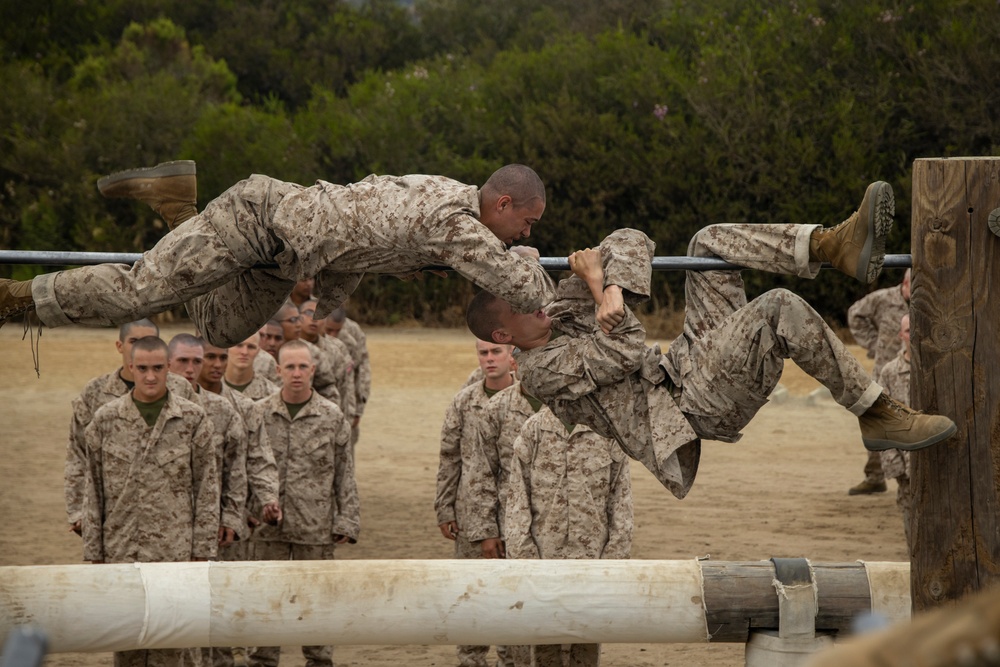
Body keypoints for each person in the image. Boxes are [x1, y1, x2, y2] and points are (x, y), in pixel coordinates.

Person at [465, 183, 957, 499]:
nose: (536, 303)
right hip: (689, 408)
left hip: (684, 367)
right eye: (522, 306)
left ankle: (831, 245)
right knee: (778, 309)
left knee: (709, 242)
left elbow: (629, 238)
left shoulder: (548, 312)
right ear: (504, 337)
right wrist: (598, 290)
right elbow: (624, 349)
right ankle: (877, 414)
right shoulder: (538, 371)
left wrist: (609, 285)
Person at [0, 163, 554, 348]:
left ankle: (175, 203)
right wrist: (538, 265)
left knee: (218, 331)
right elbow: (524, 291)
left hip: (284, 256)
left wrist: (323, 309)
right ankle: (15, 297)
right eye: (525, 223)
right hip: (257, 220)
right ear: (502, 203)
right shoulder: (457, 224)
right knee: (140, 291)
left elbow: (362, 245)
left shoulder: (450, 198)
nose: (523, 233)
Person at [82, 335, 218, 667]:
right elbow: (94, 491)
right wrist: (94, 556)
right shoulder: (106, 420)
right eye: (142, 368)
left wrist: (202, 553)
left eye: (158, 368)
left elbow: (207, 488)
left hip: (175, 554)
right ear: (130, 367)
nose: (151, 376)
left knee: (171, 646)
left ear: (169, 368)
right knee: (127, 642)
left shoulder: (192, 419)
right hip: (122, 552)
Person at [247, 340, 359, 667]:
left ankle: (319, 659)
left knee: (317, 598)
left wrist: (347, 521)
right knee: (267, 598)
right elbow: (246, 466)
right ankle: (263, 660)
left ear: (313, 370)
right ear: (278, 370)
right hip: (268, 528)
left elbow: (344, 472)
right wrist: (249, 514)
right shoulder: (259, 413)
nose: (296, 374)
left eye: (303, 367)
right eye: (290, 367)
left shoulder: (331, 415)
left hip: (315, 526)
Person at [505, 406, 633, 667]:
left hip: (592, 564)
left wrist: (614, 562)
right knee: (543, 645)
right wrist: (525, 559)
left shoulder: (607, 431)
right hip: (543, 562)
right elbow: (517, 500)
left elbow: (621, 502)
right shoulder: (534, 429)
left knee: (587, 642)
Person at [65, 319, 195, 536]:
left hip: (171, 519)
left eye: (148, 341)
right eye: (134, 341)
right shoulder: (95, 392)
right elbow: (78, 455)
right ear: (119, 346)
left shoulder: (181, 389)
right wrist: (78, 512)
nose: (140, 348)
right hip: (116, 518)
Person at [434, 339, 517, 667]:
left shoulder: (526, 400)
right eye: (483, 353)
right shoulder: (463, 402)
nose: (489, 359)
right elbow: (449, 457)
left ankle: (511, 660)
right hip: (471, 516)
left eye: (496, 352)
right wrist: (444, 507)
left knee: (513, 596)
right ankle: (471, 660)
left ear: (512, 356)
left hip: (516, 518)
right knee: (472, 594)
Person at [846, 270, 912, 496]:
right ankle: (875, 476)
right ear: (905, 283)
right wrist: (873, 345)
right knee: (875, 420)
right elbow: (855, 314)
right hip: (885, 372)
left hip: (915, 373)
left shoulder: (930, 299)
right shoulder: (883, 299)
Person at [464, 377, 543, 560]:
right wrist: (487, 532)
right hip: (510, 529)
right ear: (513, 362)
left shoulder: (568, 406)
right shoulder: (496, 407)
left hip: (559, 531)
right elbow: (481, 472)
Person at [874, 314, 914, 551]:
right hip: (907, 471)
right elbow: (880, 423)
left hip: (944, 468)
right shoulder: (890, 372)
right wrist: (896, 467)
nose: (913, 334)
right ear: (901, 335)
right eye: (908, 330)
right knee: (914, 539)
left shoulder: (943, 368)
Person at [325, 307, 371, 449]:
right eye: (329, 330)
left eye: (337, 331)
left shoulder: (353, 333)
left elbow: (362, 371)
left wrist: (358, 409)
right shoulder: (308, 328)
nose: (333, 335)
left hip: (346, 408)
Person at [225, 331, 279, 400]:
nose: (244, 352)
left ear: (258, 351)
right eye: (239, 345)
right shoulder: (211, 387)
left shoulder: (272, 394)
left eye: (251, 347)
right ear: (227, 347)